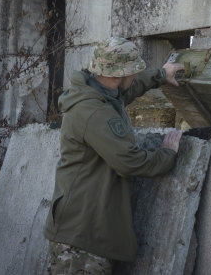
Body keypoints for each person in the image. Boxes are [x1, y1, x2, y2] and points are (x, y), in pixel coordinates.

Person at [44, 37, 184, 275]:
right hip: (82, 239)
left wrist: (161, 74)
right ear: (119, 75)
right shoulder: (94, 111)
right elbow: (129, 162)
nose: (134, 76)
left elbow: (127, 91)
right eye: (132, 72)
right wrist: (167, 155)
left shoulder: (96, 92)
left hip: (84, 226)